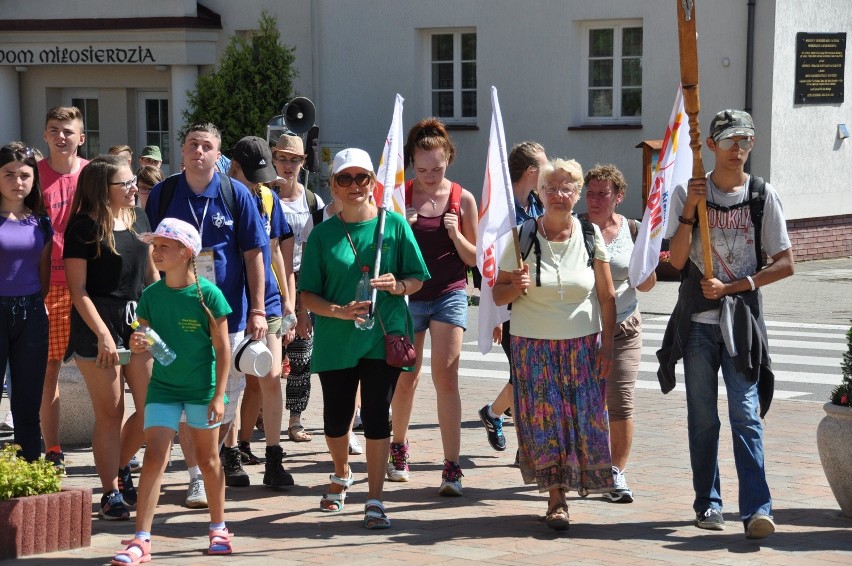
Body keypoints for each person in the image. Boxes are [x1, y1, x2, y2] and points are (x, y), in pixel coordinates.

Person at [658, 109, 794, 539]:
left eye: (747, 141)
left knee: (746, 415)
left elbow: (786, 262)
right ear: (712, 146)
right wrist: (691, 210)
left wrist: (738, 285)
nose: (740, 149)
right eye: (732, 140)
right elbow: (676, 261)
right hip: (697, 324)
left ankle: (757, 508)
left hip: (741, 324)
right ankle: (708, 503)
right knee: (703, 418)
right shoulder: (688, 192)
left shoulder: (760, 195)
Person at [299, 148, 429, 529]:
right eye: (345, 179)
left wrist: (397, 284)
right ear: (333, 186)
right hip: (337, 338)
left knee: (376, 415)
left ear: (373, 183)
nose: (354, 185)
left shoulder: (395, 226)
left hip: (383, 335)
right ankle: (342, 473)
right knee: (336, 420)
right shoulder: (322, 234)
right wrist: (338, 311)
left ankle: (375, 498)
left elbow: (417, 278)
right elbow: (307, 294)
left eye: (362, 178)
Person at [144, 122, 268, 500]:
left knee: (223, 395)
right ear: (182, 151)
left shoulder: (236, 195)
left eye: (207, 146)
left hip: (223, 311)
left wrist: (259, 310)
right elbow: (153, 252)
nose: (199, 151)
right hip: (176, 313)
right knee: (185, 398)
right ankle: (197, 473)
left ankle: (213, 453)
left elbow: (254, 255)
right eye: (192, 144)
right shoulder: (164, 194)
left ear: (218, 154)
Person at [492, 157, 616, 531]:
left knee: (580, 422)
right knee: (543, 424)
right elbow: (496, 296)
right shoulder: (521, 236)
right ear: (540, 193)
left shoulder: (590, 236)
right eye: (552, 188)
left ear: (577, 194)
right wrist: (514, 286)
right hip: (533, 348)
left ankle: (573, 485)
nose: (559, 194)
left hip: (581, 348)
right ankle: (556, 498)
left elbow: (607, 297)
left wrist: (607, 345)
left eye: (567, 188)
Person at [111, 218, 233, 564]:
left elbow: (223, 350)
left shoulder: (208, 295)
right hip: (163, 388)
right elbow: (144, 342)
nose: (156, 251)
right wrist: (136, 342)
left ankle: (219, 529)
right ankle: (141, 541)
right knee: (154, 457)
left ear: (186, 252)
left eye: (164, 246)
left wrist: (218, 395)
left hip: (202, 389)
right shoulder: (150, 295)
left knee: (209, 461)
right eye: (155, 245)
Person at [64, 155, 158, 520]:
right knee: (111, 412)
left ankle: (121, 466)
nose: (135, 187)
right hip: (97, 326)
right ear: (104, 190)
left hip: (140, 321)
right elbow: (78, 289)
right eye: (127, 183)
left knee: (154, 406)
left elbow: (150, 274)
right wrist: (103, 334)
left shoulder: (140, 218)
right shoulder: (83, 228)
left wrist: (161, 316)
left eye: (134, 180)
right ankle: (110, 493)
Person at [389, 118, 478, 496]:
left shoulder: (463, 198)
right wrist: (401, 226)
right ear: (411, 162)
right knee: (407, 376)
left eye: (437, 169)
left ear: (449, 161)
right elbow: (383, 256)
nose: (428, 175)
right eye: (422, 169)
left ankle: (452, 467)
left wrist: (455, 233)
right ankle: (398, 447)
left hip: (449, 292)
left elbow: (475, 259)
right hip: (409, 295)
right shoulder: (400, 196)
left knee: (446, 377)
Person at [581, 163, 656, 503]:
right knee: (581, 403)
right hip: (581, 329)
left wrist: (648, 267)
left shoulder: (633, 229)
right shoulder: (573, 228)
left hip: (624, 326)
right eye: (591, 193)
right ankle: (574, 465)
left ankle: (615, 472)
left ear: (618, 197)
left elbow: (647, 283)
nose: (594, 200)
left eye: (603, 194)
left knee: (620, 402)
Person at [228, 135, 297, 488]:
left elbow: (276, 251)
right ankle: (228, 455)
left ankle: (273, 457)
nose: (259, 181)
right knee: (232, 382)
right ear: (233, 166)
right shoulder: (222, 197)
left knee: (270, 377)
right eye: (251, 174)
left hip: (267, 300)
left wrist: (287, 298)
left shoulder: (267, 198)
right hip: (229, 300)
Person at [478, 141, 547, 454]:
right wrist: (497, 315)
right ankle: (525, 445)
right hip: (512, 306)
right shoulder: (504, 213)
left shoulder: (536, 204)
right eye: (545, 165)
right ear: (532, 172)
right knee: (528, 379)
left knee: (527, 378)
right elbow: (490, 266)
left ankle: (494, 414)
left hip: (538, 305)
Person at [38, 106, 90, 474]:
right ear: (45, 135)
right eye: (54, 129)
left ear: (81, 138)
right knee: (50, 369)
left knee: (105, 367)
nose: (61, 136)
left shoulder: (92, 175)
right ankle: (52, 447)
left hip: (89, 285)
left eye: (68, 131)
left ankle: (117, 446)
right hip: (48, 286)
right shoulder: (32, 176)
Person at [0, 144, 52, 461]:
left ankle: (30, 468)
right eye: (9, 174)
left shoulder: (41, 223)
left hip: (31, 312)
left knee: (28, 398)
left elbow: (43, 275)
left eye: (24, 175)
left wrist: (32, 305)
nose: (17, 181)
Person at [272, 133, 323, 443]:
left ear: (304, 163)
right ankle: (262, 412)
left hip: (302, 283)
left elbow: (317, 251)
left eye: (295, 159)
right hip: (267, 284)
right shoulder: (261, 196)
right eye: (282, 158)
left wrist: (303, 301)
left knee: (301, 353)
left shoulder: (312, 202)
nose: (288, 165)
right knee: (266, 356)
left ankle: (295, 419)